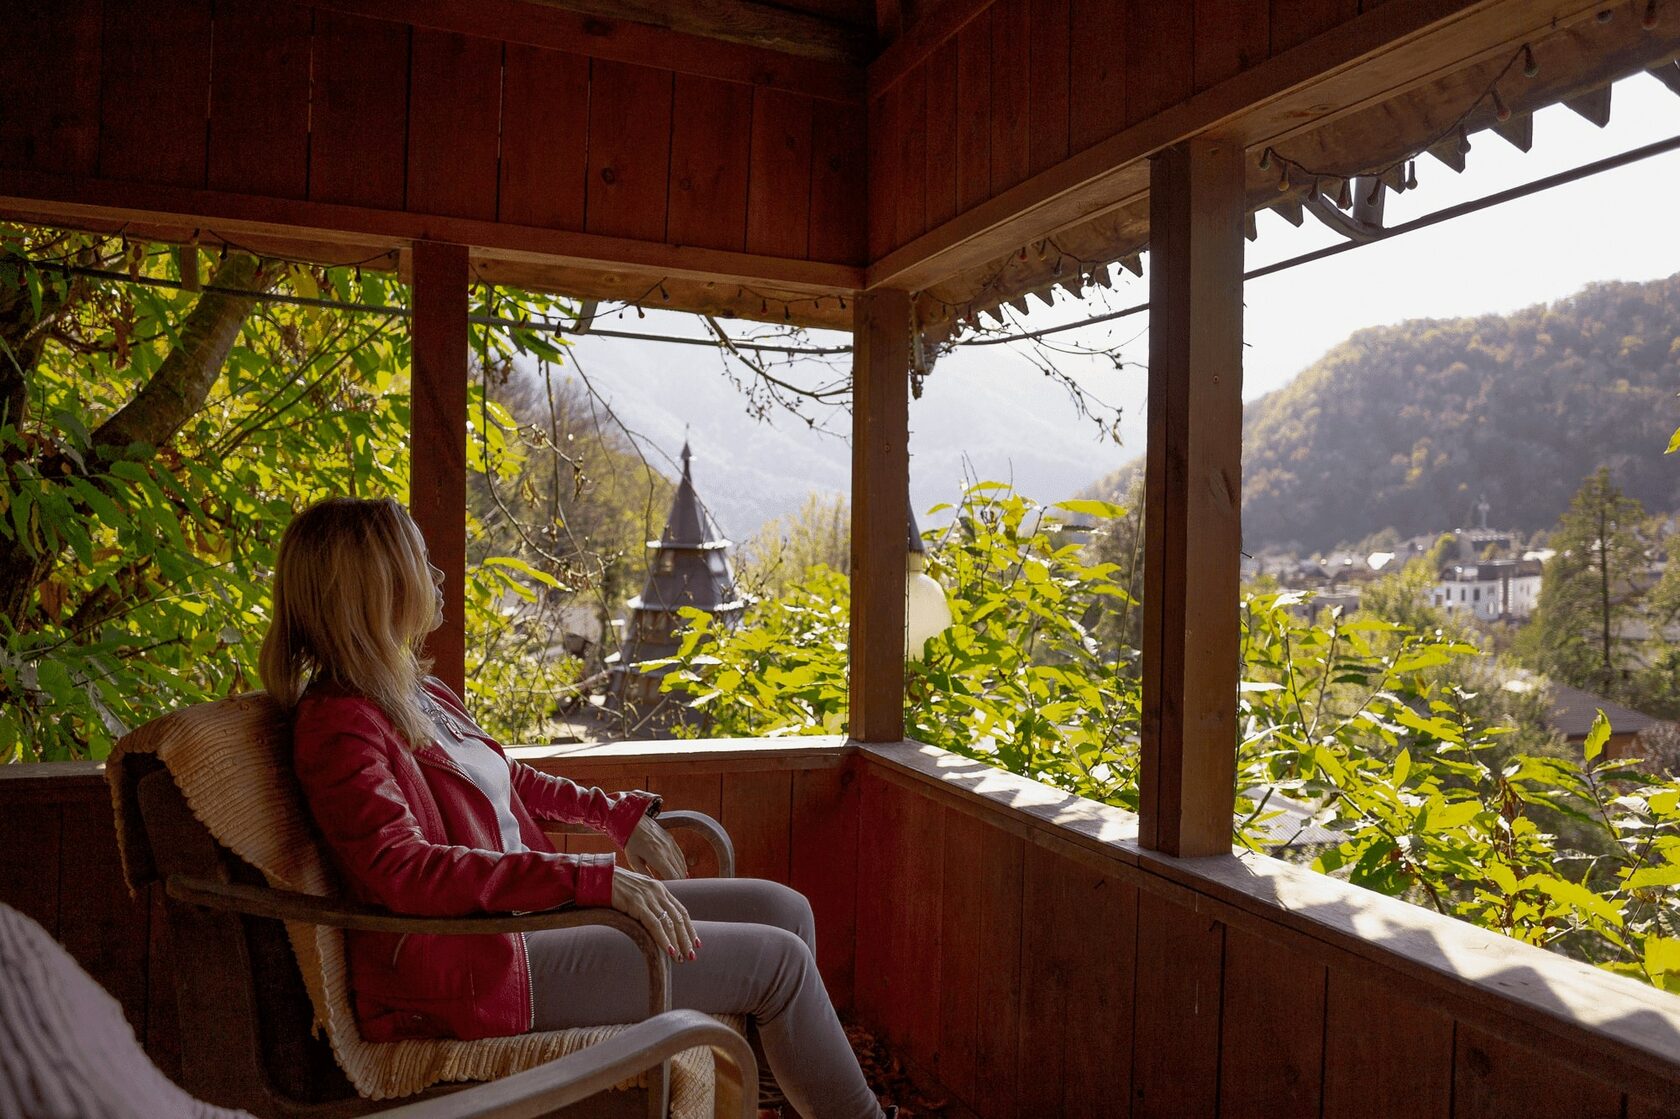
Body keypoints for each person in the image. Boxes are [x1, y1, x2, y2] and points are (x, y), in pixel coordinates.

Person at [259, 496, 888, 1119]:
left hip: (529, 921)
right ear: (382, 587)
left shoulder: (415, 691)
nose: (439, 575)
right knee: (778, 964)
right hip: (484, 960)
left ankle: (773, 1105)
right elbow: (403, 870)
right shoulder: (339, 726)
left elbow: (508, 781)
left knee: (784, 910)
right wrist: (588, 878)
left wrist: (615, 817)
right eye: (422, 561)